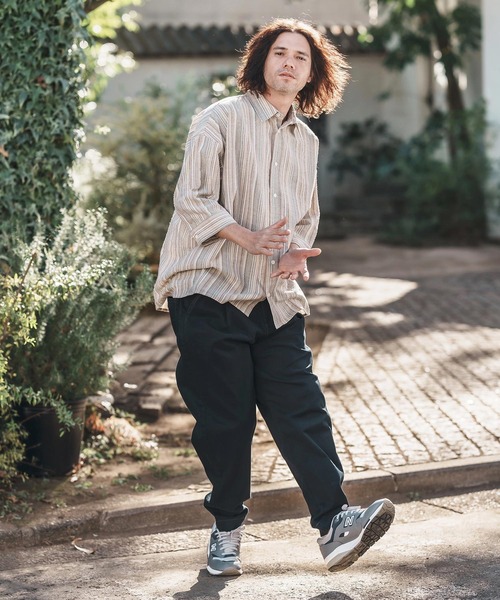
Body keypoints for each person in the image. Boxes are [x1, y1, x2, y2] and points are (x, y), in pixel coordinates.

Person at [154, 17, 395, 576]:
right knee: (228, 420)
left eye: (301, 57)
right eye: (280, 52)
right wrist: (248, 237)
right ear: (261, 61)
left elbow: (304, 215)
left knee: (302, 407)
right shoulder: (219, 119)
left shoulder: (305, 140)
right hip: (208, 288)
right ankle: (226, 529)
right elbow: (191, 199)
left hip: (275, 295)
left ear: (312, 74)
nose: (289, 62)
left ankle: (334, 524)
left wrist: (292, 253)